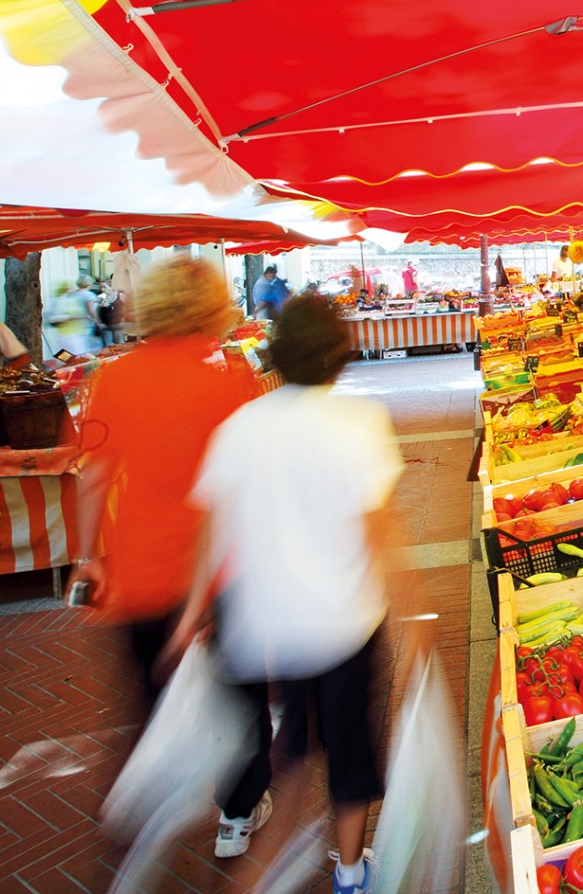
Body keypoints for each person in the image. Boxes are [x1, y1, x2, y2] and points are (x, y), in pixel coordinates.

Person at [168, 294, 403, 894]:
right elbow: (375, 532)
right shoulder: (359, 422)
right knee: (348, 753)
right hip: (344, 620)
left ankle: (260, 871)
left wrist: (194, 610)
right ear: (337, 356)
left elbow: (209, 526)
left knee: (293, 750)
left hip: (269, 625)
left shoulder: (240, 426)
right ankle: (349, 871)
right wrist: (413, 611)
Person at [71, 256, 274, 859]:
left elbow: (93, 475)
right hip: (216, 571)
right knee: (239, 693)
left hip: (138, 568)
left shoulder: (114, 377)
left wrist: (88, 557)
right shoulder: (228, 376)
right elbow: (245, 481)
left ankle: (157, 794)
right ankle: (237, 814)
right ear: (210, 309)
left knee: (154, 691)